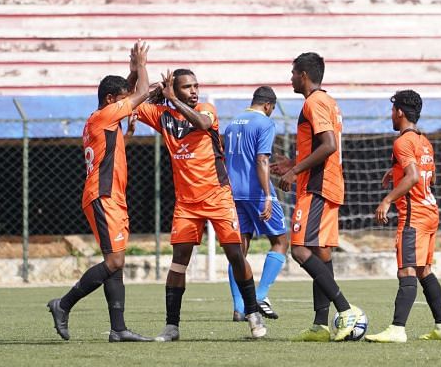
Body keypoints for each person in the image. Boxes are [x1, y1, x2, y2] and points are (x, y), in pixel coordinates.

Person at [132, 66, 267, 341]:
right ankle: (172, 326)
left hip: (218, 197)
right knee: (178, 262)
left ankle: (252, 312)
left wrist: (175, 99)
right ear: (175, 89)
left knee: (235, 255)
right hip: (186, 204)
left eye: (195, 86)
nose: (194, 91)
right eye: (186, 87)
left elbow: (203, 124)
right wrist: (151, 84)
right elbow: (132, 101)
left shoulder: (207, 109)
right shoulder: (163, 117)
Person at [47, 41, 153, 342]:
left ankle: (118, 329)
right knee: (115, 262)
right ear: (110, 100)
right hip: (102, 195)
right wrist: (142, 67)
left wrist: (131, 74)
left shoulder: (104, 120)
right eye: (122, 100)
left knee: (114, 262)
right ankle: (63, 304)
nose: (127, 105)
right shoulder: (104, 117)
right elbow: (141, 95)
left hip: (111, 196)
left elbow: (131, 93)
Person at [270, 52, 361, 342]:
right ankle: (321, 325)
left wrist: (295, 170)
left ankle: (346, 311)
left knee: (299, 250)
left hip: (317, 187)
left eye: (293, 73)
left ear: (304, 76)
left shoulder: (315, 102)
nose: (291, 78)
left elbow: (329, 144)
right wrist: (293, 162)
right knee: (320, 252)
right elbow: (321, 144)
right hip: (326, 183)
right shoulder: (328, 101)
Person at [366, 89, 441, 343]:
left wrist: (387, 199)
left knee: (406, 271)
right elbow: (429, 176)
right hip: (431, 212)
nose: (391, 115)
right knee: (424, 270)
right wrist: (394, 173)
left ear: (400, 112)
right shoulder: (424, 141)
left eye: (393, 111)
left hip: (413, 216)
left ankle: (397, 329)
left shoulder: (403, 141)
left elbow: (414, 176)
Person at [223, 86, 288, 322]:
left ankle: (239, 307)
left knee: (239, 251)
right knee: (281, 241)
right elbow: (261, 158)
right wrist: (268, 195)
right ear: (269, 105)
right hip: (257, 193)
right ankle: (259, 296)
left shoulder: (231, 124)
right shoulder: (265, 123)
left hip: (233, 193)